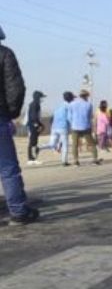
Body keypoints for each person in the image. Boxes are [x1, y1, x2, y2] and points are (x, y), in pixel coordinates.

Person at [0, 25, 39, 224]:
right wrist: (11, 113)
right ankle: (18, 212)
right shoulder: (5, 54)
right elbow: (15, 89)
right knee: (7, 169)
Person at [38, 91, 74, 166]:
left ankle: (39, 148)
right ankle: (64, 162)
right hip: (63, 127)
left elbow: (53, 116)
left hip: (54, 127)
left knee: (52, 144)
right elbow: (69, 118)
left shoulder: (58, 106)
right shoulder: (69, 106)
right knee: (65, 144)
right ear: (70, 98)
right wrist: (73, 126)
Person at [69, 90, 102, 167]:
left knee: (75, 144)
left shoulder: (72, 104)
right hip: (86, 126)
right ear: (86, 96)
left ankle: (75, 161)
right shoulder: (88, 105)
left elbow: (69, 116)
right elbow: (90, 116)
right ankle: (95, 159)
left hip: (75, 126)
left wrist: (73, 123)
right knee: (92, 143)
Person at [25, 90, 45, 165]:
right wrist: (38, 125)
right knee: (33, 141)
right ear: (37, 97)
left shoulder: (33, 104)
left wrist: (40, 124)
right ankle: (31, 159)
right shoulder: (35, 104)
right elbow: (33, 116)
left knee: (34, 142)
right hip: (33, 125)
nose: (42, 99)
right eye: (41, 97)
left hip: (33, 124)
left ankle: (32, 158)